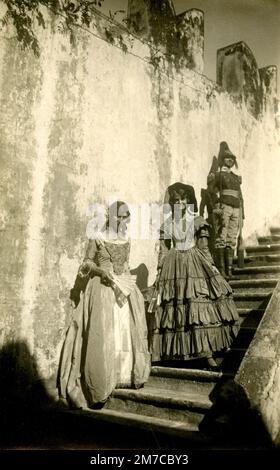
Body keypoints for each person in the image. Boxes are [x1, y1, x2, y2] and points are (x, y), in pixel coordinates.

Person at [58, 201, 151, 408]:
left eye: (125, 217)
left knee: (126, 330)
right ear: (110, 216)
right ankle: (101, 382)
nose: (122, 221)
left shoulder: (126, 238)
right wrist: (101, 272)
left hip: (123, 290)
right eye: (119, 216)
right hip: (101, 288)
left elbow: (126, 263)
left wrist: (126, 278)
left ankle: (124, 375)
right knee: (104, 332)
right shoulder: (97, 237)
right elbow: (86, 263)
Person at [150, 182, 240, 369]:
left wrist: (212, 267)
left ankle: (207, 353)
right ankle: (175, 353)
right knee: (175, 308)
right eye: (176, 200)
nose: (180, 203)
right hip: (173, 266)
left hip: (194, 262)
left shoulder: (197, 220)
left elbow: (204, 247)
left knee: (198, 305)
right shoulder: (168, 224)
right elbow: (164, 249)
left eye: (184, 199)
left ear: (189, 201)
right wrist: (160, 270)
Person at [208, 142, 245, 278]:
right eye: (227, 158)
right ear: (222, 159)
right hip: (225, 207)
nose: (230, 160)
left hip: (236, 208)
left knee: (231, 239)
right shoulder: (218, 175)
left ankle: (229, 270)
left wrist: (243, 213)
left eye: (232, 158)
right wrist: (216, 206)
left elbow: (240, 196)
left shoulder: (236, 177)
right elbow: (211, 191)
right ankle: (222, 270)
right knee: (221, 237)